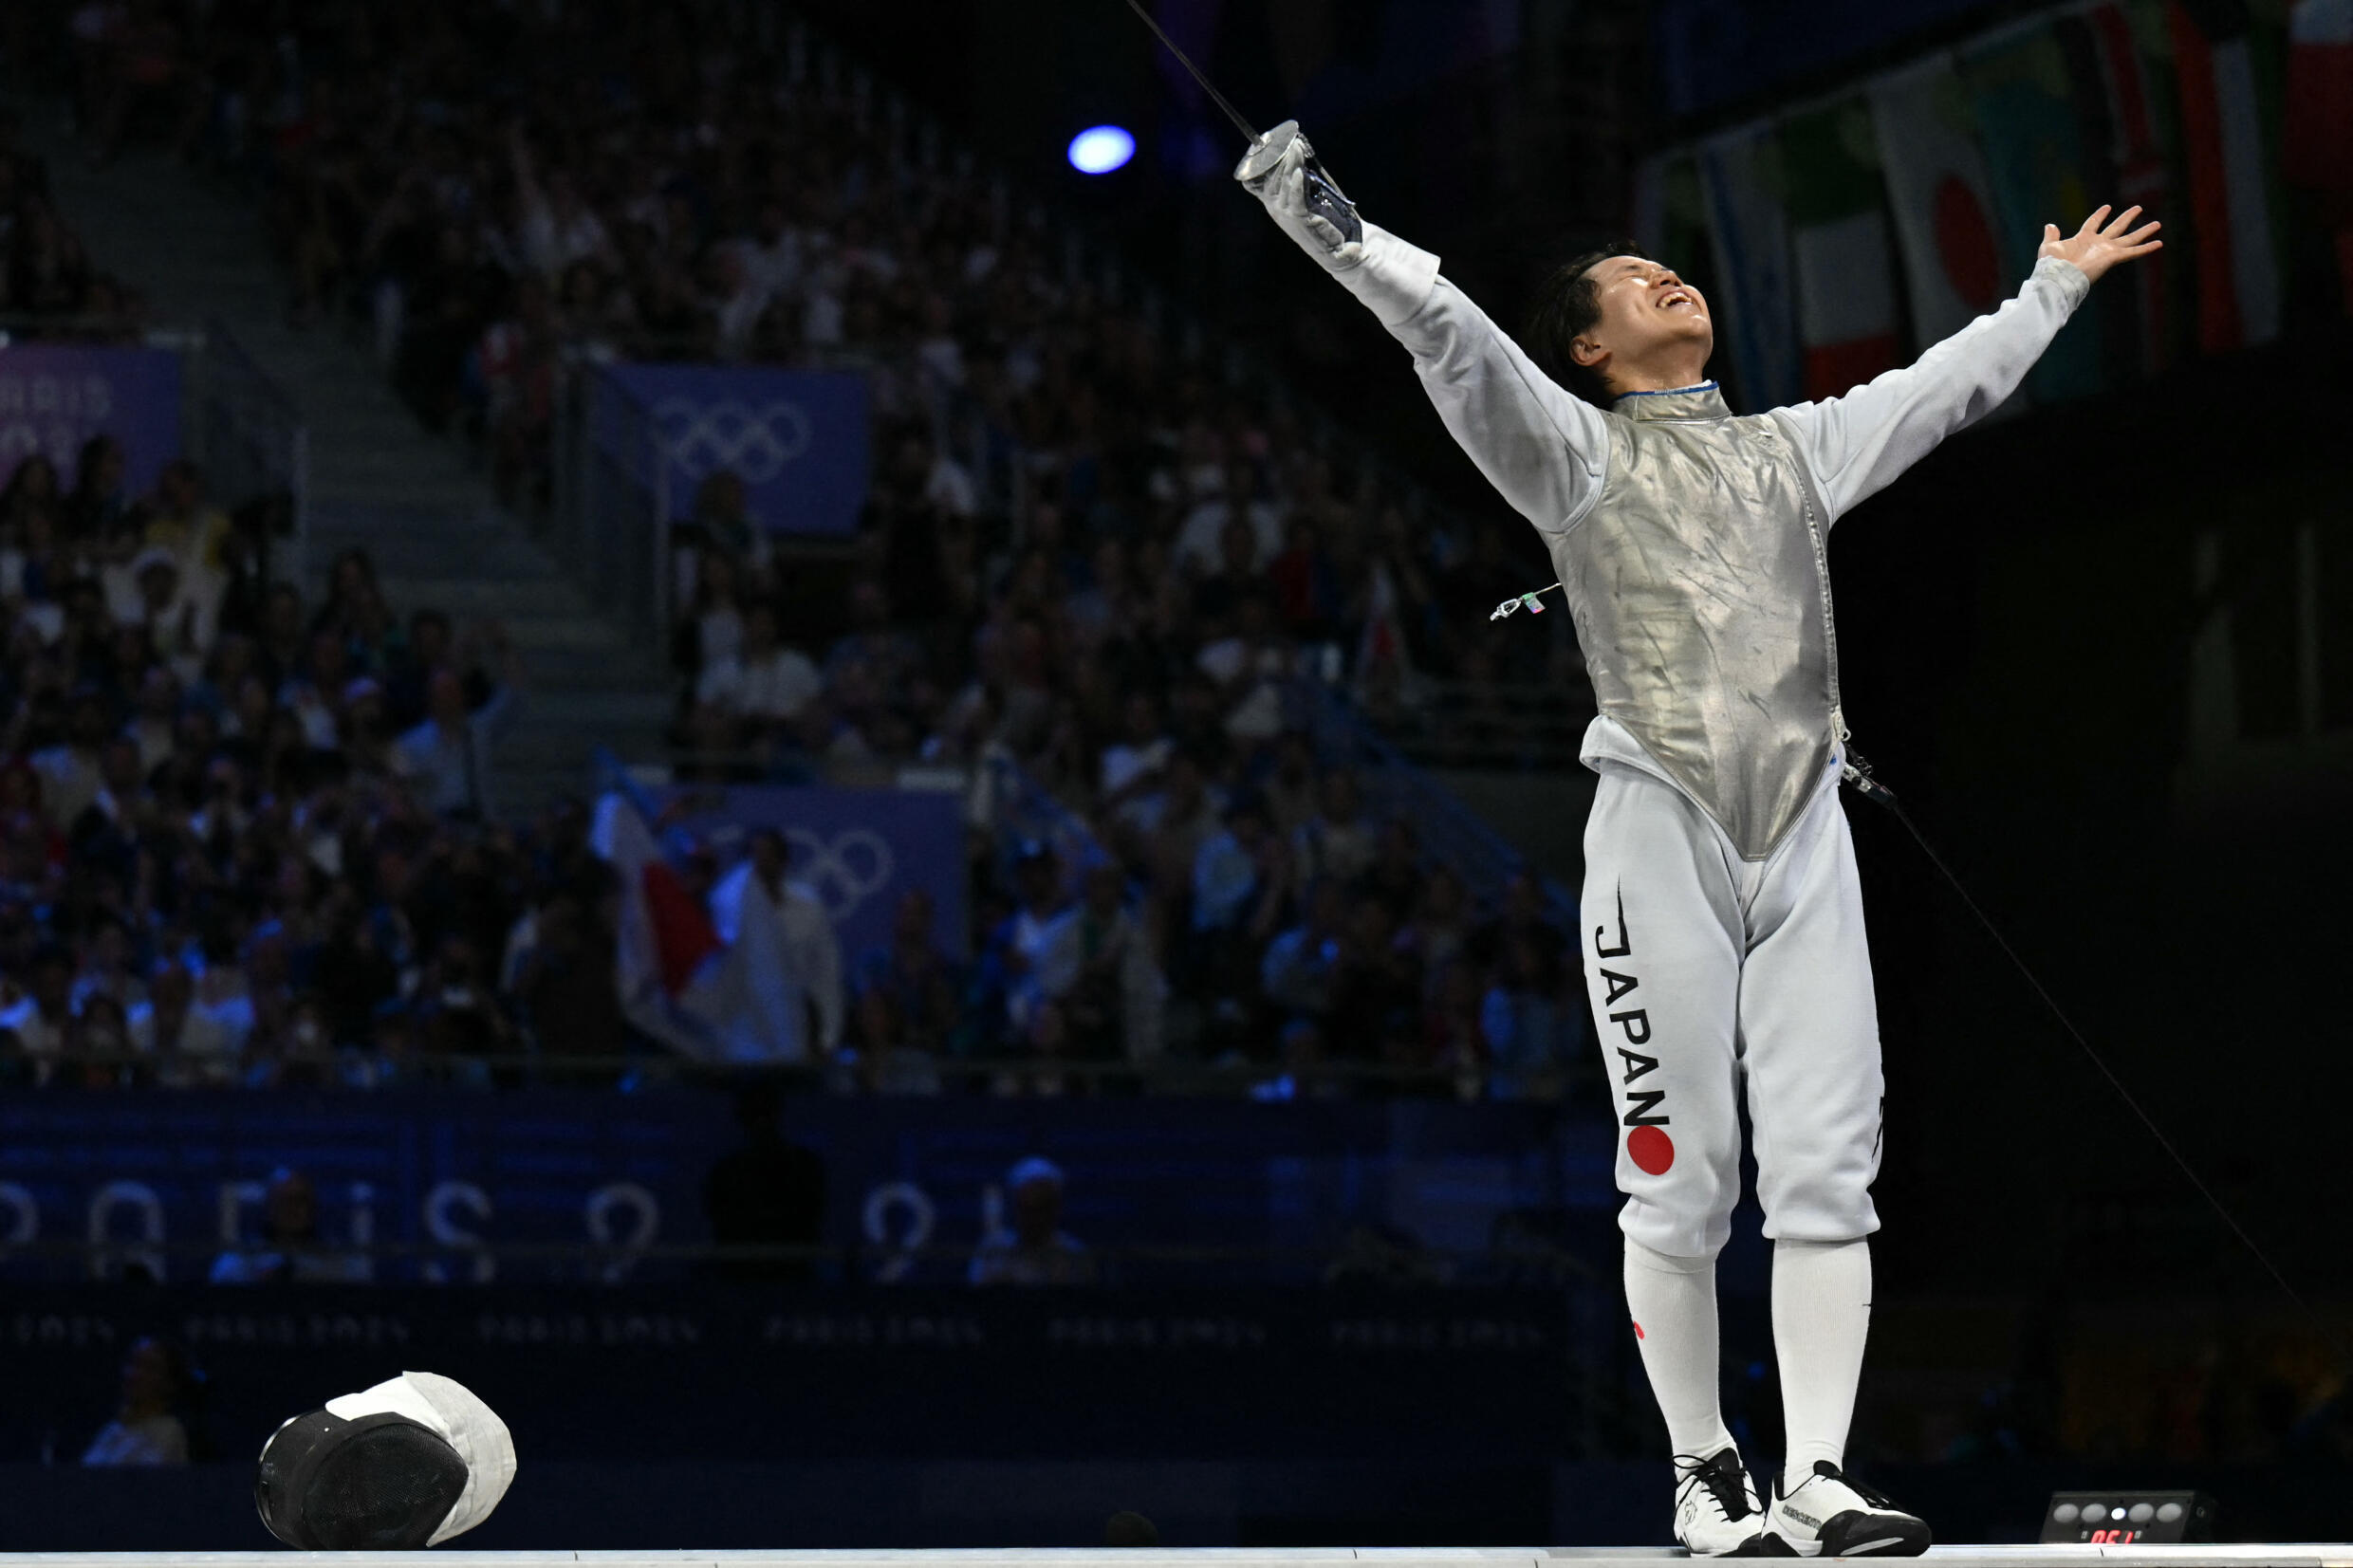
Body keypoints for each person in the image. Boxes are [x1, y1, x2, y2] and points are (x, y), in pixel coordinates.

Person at [1243, 124, 2161, 1556]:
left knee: (1827, 1164)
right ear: (1592, 352)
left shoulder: (1795, 452)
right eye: (1631, 279)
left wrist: (2048, 291)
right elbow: (1449, 334)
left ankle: (1818, 1478)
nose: (1665, 276)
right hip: (1660, 830)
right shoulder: (1572, 454)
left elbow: (1939, 392)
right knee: (1682, 1174)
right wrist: (1317, 214)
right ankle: (1699, 1470)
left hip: (1803, 833)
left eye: (1665, 267)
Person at [706, 829, 843, 1064]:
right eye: (755, 859)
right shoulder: (727, 907)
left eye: (768, 858)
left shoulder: (809, 909)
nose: (761, 866)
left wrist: (828, 1037)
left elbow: (826, 976)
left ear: (783, 863)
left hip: (795, 1029)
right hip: (741, 1037)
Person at [701, 1079, 826, 1282]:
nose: (761, 1121)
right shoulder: (726, 1171)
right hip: (739, 1276)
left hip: (793, 1273)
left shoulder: (805, 1165)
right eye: (754, 1114)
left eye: (764, 1113)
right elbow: (719, 1223)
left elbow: (812, 1218)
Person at [210, 1167, 374, 1284]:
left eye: (300, 1200)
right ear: (269, 1205)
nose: (291, 1208)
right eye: (282, 1201)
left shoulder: (339, 1260)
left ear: (313, 1205)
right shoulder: (239, 1259)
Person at [968, 1155, 1094, 1286]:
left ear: (1057, 1207)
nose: (1036, 1217)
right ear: (1015, 1206)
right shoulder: (993, 1251)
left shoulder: (1073, 1254)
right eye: (1027, 1207)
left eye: (1043, 1206)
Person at [81, 1336, 192, 1466]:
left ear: (169, 1383)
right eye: (133, 1363)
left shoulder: (168, 1432)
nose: (135, 1375)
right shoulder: (110, 1430)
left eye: (150, 1368)